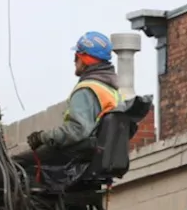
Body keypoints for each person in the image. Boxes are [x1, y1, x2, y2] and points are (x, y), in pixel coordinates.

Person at [13, 32, 123, 168]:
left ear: (85, 59)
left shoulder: (87, 89)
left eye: (76, 56)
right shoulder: (112, 91)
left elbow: (77, 131)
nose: (74, 61)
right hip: (94, 155)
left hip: (77, 154)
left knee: (13, 165)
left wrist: (42, 137)